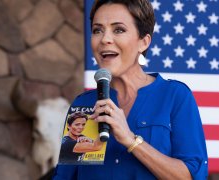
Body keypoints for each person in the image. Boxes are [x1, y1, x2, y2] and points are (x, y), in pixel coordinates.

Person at [53, 0, 208, 179]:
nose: (105, 39)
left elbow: (191, 176)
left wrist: (131, 140)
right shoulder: (83, 104)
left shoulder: (175, 96)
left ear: (143, 42)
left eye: (118, 29)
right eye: (97, 30)